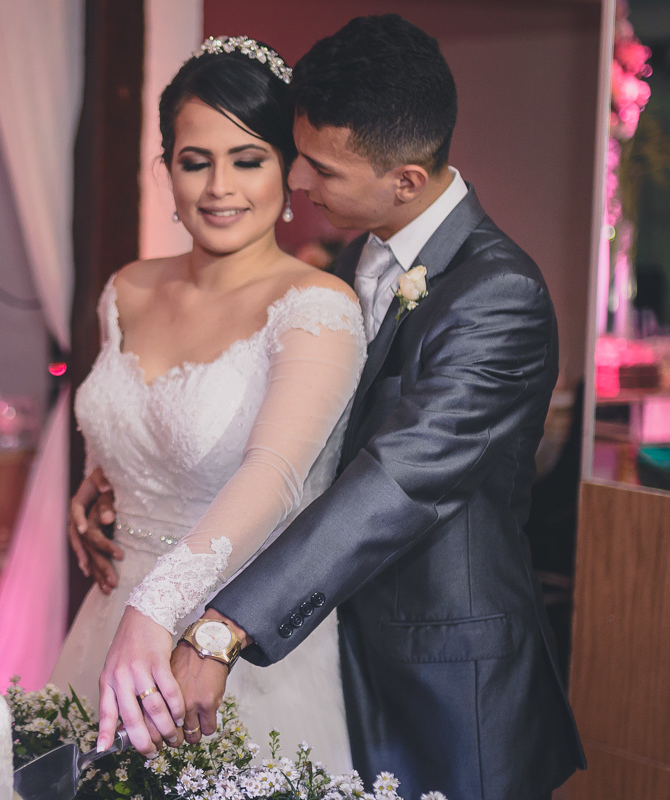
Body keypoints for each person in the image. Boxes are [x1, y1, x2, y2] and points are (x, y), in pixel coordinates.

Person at [89, 15, 586, 799]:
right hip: (327, 641)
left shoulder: (499, 297)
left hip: (443, 681)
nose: (296, 184)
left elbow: (394, 482)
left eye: (317, 168)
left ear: (406, 182)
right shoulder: (356, 258)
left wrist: (220, 629)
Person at [51, 35, 366, 772]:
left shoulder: (316, 305)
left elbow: (275, 472)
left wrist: (158, 609)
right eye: (195, 162)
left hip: (238, 647)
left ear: (288, 169)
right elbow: (127, 429)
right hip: (108, 622)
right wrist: (96, 484)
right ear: (166, 170)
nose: (219, 187)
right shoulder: (126, 289)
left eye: (247, 160)